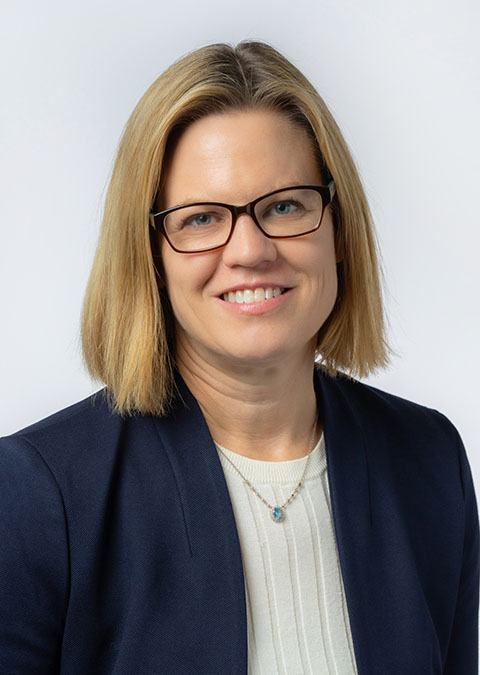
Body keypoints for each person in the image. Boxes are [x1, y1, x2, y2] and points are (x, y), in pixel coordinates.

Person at [0, 40, 478, 675]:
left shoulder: (428, 460)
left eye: (285, 206)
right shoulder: (37, 494)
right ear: (149, 256)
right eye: (200, 219)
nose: (249, 250)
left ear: (337, 229)